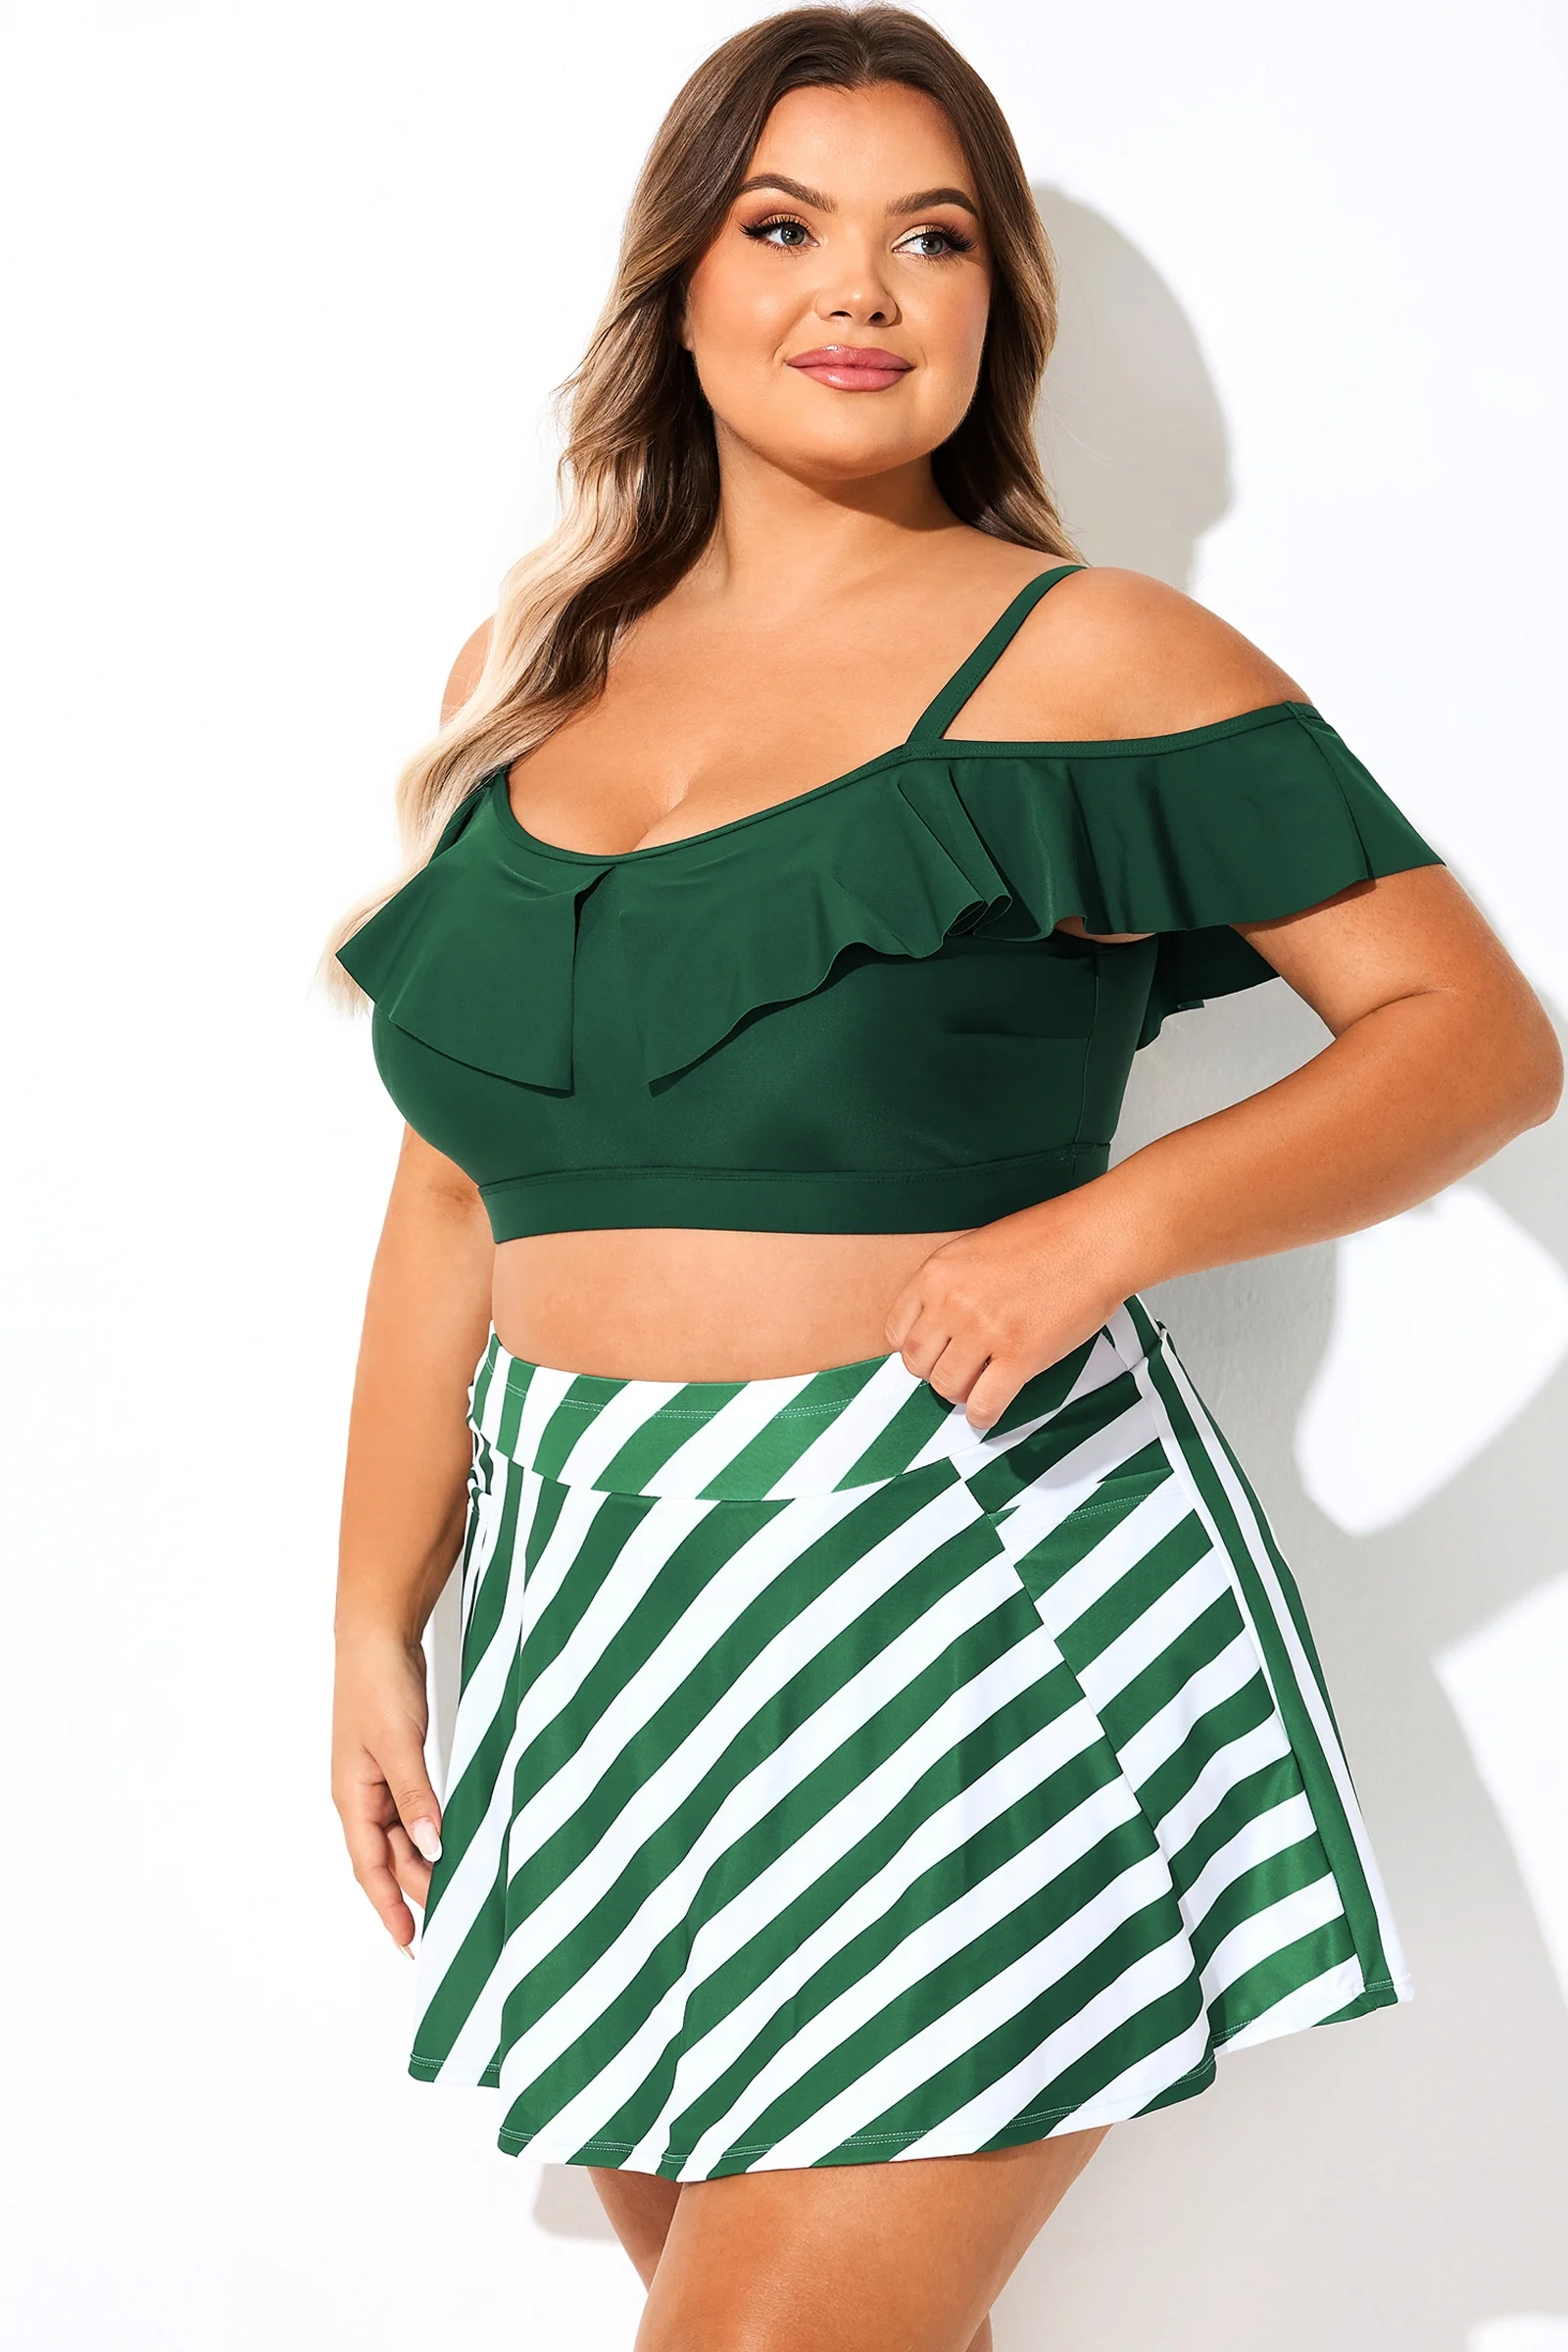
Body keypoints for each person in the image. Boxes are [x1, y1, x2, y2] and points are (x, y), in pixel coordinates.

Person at [322, 8, 1561, 2347]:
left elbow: (1469, 1038)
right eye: (782, 228)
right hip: (596, 1605)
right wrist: (376, 1618)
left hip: (949, 1563)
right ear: (680, 283)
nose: (857, 292)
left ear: (995, 302)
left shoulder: (1087, 655)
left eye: (932, 239)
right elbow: (456, 1192)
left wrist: (1105, 1230)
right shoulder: (537, 667)